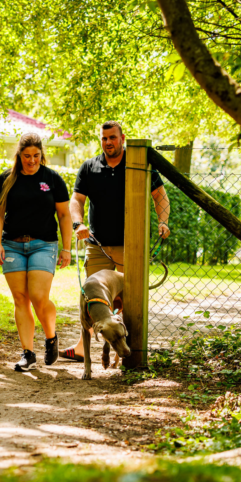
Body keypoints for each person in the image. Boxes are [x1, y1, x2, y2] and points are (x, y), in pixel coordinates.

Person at [59, 120, 171, 362]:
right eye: (104, 138)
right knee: (92, 301)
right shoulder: (89, 167)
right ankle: (82, 347)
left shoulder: (139, 164)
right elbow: (76, 200)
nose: (108, 142)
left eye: (112, 137)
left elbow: (159, 195)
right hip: (97, 245)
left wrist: (163, 221)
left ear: (122, 138)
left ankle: (130, 353)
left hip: (130, 247)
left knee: (128, 302)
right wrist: (78, 224)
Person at [0, 133, 72, 371]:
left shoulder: (52, 179)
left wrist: (66, 248)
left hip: (44, 243)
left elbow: (65, 215)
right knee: (20, 299)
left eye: (36, 156)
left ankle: (50, 337)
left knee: (38, 296)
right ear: (19, 155)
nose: (32, 160)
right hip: (13, 245)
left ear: (41, 155)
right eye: (27, 156)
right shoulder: (7, 179)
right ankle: (28, 353)